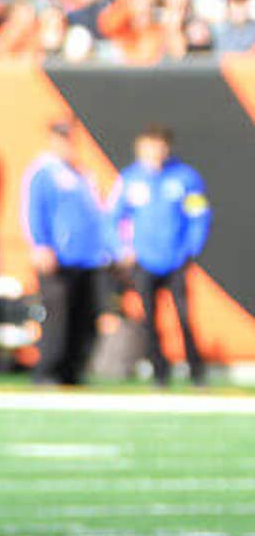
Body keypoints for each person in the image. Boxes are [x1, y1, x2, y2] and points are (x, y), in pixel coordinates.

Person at [110, 125, 211, 386]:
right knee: (149, 320)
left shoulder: (185, 178)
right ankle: (160, 372)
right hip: (144, 261)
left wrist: (190, 248)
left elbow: (198, 215)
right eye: (149, 146)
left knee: (184, 316)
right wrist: (124, 249)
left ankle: (196, 371)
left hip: (175, 259)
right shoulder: (130, 179)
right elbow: (113, 218)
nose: (154, 152)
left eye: (159, 145)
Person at [22, 122, 108, 386]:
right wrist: (41, 244)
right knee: (56, 318)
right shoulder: (43, 172)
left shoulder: (81, 174)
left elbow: (97, 215)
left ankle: (72, 370)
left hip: (86, 258)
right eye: (60, 138)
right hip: (57, 257)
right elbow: (34, 211)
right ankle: (47, 370)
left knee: (83, 316)